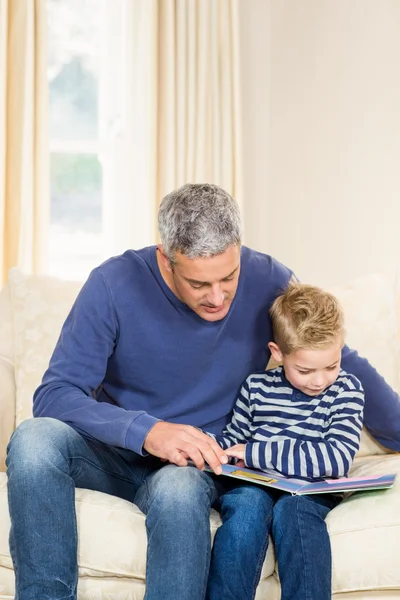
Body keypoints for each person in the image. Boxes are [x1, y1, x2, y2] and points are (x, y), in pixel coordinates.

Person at [5, 183, 400, 600]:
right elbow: (55, 395)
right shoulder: (112, 284)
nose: (218, 298)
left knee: (179, 489)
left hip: (198, 463)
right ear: (166, 259)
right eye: (199, 284)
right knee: (32, 440)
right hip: (111, 453)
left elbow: (334, 357)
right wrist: (148, 431)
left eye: (229, 277)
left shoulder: (269, 278)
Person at [205, 282, 364, 597]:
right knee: (245, 509)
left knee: (294, 513)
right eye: (305, 370)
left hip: (310, 491)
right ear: (277, 354)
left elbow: (336, 459)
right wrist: (211, 448)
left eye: (331, 366)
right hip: (255, 485)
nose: (319, 381)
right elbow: (234, 443)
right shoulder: (256, 387)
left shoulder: (347, 389)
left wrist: (257, 453)